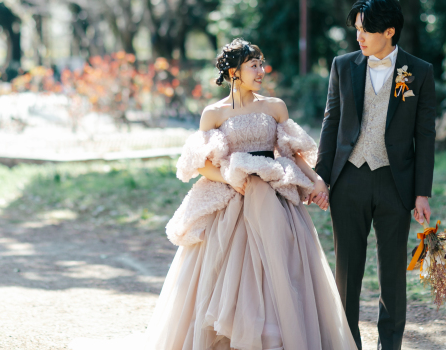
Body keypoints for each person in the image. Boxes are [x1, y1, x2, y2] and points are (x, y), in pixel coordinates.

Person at [139, 38, 358, 350]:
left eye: (261, 63)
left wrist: (317, 180)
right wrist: (229, 175)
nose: (260, 70)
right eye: (253, 65)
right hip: (232, 199)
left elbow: (291, 153)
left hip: (273, 197)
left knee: (281, 269)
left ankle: (276, 336)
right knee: (226, 276)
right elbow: (201, 164)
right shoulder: (213, 114)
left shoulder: (274, 106)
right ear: (233, 72)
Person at [314, 0, 436, 350]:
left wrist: (422, 192)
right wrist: (322, 176)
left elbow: (424, 136)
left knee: (393, 277)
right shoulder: (342, 65)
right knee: (347, 275)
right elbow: (330, 122)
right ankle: (348, 345)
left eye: (366, 30)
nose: (360, 37)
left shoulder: (419, 72)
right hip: (347, 181)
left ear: (389, 31)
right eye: (356, 30)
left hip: (395, 185)